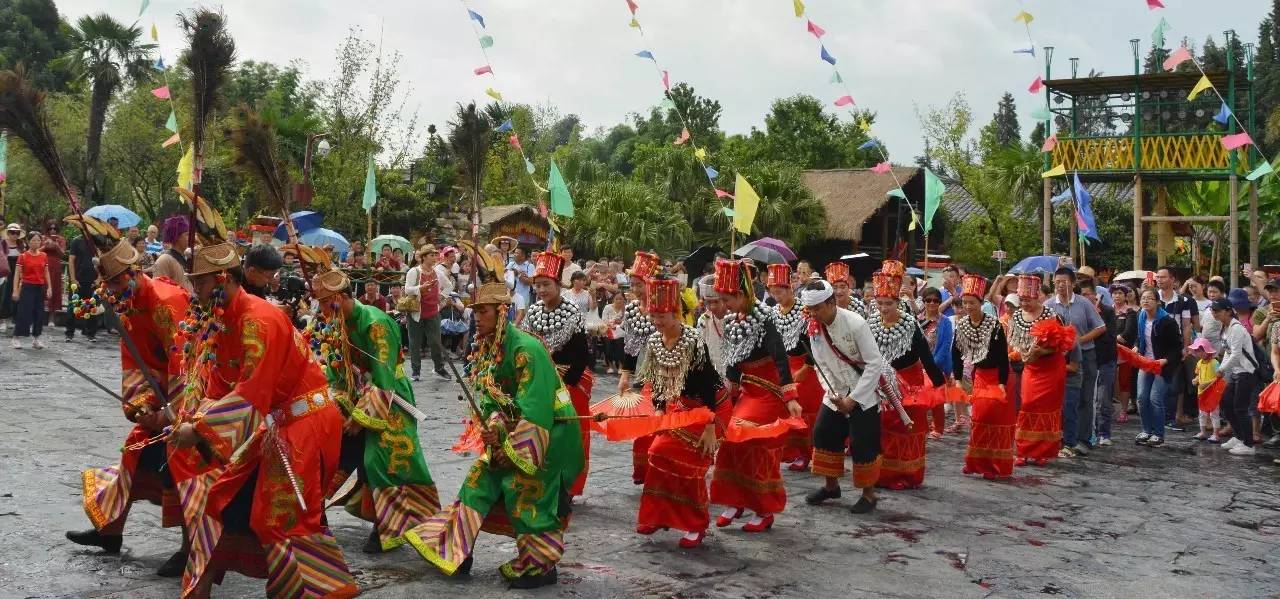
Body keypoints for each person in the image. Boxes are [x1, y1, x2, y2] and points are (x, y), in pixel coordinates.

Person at [168, 240, 357, 598]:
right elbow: (219, 384)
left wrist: (203, 430)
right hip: (272, 424)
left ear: (222, 278)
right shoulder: (221, 321)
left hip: (304, 422)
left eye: (202, 283)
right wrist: (191, 417)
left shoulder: (258, 320)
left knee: (280, 517)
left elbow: (251, 392)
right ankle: (198, 589)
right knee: (220, 499)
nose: (196, 291)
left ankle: (325, 589)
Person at [402, 278, 582, 589]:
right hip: (513, 431)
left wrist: (508, 445)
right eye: (475, 312)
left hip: (548, 435)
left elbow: (535, 410)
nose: (477, 318)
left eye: (483, 312)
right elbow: (492, 399)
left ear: (501, 313)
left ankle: (540, 566)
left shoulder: (527, 350)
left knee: (523, 488)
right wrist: (495, 428)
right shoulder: (489, 347)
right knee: (477, 481)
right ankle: (457, 551)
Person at [66, 237, 191, 576]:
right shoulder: (126, 302)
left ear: (135, 272)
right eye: (108, 283)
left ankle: (190, 548)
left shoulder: (166, 303)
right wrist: (140, 404)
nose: (113, 289)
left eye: (118, 281)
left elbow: (184, 363)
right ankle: (110, 532)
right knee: (135, 450)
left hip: (191, 393)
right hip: (160, 391)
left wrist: (170, 412)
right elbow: (134, 362)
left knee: (182, 468)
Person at [306, 266, 440, 554]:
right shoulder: (335, 323)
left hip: (389, 397)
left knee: (381, 458)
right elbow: (335, 372)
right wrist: (339, 405)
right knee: (336, 451)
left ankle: (396, 523)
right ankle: (314, 516)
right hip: (354, 396)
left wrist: (361, 417)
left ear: (340, 298)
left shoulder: (375, 323)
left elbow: (383, 376)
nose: (321, 310)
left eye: (325, 302)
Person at [633, 276, 729, 547]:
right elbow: (658, 381)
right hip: (683, 406)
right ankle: (659, 515)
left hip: (712, 407)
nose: (657, 321)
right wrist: (660, 412)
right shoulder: (654, 341)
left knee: (689, 464)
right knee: (657, 452)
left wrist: (710, 426)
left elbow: (709, 385)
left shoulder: (693, 341)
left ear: (676, 314)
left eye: (662, 315)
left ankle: (695, 524)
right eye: (653, 315)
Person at [709, 258, 801, 532]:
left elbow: (781, 359)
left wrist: (791, 396)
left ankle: (764, 508)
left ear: (740, 294)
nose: (723, 306)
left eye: (727, 300)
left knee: (756, 448)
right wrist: (728, 393)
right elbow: (732, 362)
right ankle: (734, 500)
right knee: (728, 442)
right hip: (748, 392)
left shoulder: (765, 317)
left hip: (769, 393)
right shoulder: (732, 319)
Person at [802, 280, 888, 513]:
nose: (813, 314)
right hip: (835, 393)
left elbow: (874, 363)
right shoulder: (814, 327)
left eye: (817, 308)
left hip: (863, 392)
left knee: (863, 443)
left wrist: (853, 399)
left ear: (831, 302)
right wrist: (833, 394)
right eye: (810, 310)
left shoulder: (855, 323)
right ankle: (831, 486)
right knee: (823, 432)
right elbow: (820, 365)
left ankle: (869, 495)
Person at [519, 250, 593, 498]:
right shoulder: (534, 311)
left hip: (571, 377)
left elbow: (582, 353)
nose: (541, 290)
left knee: (569, 432)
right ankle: (543, 477)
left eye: (546, 285)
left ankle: (568, 483)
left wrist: (566, 384)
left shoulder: (572, 311)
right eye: (537, 285)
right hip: (543, 378)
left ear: (558, 284)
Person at [865, 262, 945, 490]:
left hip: (910, 383)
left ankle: (907, 474)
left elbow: (925, 357)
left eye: (888, 303)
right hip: (882, 383)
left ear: (898, 302)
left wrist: (938, 383)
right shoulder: (871, 323)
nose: (883, 308)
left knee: (906, 427)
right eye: (879, 303)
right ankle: (884, 473)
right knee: (884, 427)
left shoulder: (910, 324)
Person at [953, 275, 1015, 480]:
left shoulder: (995, 326)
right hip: (979, 377)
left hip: (997, 377)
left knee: (995, 421)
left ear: (981, 303)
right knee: (979, 420)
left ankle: (995, 465)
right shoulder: (962, 326)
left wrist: (1002, 383)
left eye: (972, 302)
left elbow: (1003, 359)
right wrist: (957, 380)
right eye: (965, 303)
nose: (968, 306)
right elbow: (956, 352)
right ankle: (977, 462)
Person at [1009, 276, 1072, 465]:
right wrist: (1022, 354)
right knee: (1027, 405)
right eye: (1022, 300)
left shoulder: (1052, 315)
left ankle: (1042, 452)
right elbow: (1012, 342)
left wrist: (1042, 351)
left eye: (1028, 299)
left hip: (1051, 368)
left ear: (1037, 297)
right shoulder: (1017, 316)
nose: (1024, 303)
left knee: (1047, 409)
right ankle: (1023, 449)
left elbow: (1064, 345)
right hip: (1031, 368)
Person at [1045, 267, 1106, 457]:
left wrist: (1077, 342)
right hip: (1057, 358)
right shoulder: (1048, 305)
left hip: (1086, 356)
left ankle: (1084, 439)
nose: (1060, 285)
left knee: (1085, 398)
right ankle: (1063, 438)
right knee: (1062, 399)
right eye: (1057, 281)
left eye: (1064, 281)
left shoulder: (1083, 303)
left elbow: (1101, 327)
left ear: (1072, 283)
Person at [767, 263, 822, 471]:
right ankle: (794, 452)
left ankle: (810, 452)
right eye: (772, 292)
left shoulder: (805, 311)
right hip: (783, 367)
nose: (776, 296)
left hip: (804, 366)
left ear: (790, 288)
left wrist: (806, 368)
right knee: (786, 409)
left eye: (779, 291)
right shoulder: (772, 312)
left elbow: (816, 342)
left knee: (807, 408)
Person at [618, 251, 660, 484]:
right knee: (644, 421)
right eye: (631, 284)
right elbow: (629, 345)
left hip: (666, 370)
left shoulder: (665, 305)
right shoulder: (632, 308)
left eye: (638, 284)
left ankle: (659, 469)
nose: (634, 288)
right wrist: (625, 374)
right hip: (644, 371)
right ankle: (644, 471)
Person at [1214, 295, 1261, 456]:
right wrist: (1222, 368)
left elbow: (1235, 354)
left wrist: (1221, 369)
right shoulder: (1226, 328)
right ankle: (1239, 437)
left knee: (1240, 408)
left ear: (1228, 311)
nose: (1214, 314)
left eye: (1217, 311)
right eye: (1213, 311)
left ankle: (1248, 444)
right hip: (1235, 372)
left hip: (1247, 372)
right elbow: (1228, 352)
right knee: (1226, 404)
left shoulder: (1236, 328)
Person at [1134, 287, 1181, 447]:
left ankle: (1158, 434)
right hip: (1145, 362)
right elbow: (1140, 338)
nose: (1145, 301)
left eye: (1149, 298)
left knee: (1155, 398)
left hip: (1162, 365)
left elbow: (1177, 347)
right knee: (1141, 397)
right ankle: (1146, 430)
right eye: (1143, 298)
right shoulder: (1140, 316)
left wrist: (1165, 361)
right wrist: (1135, 347)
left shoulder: (1167, 321)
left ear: (1158, 302)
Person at [1155, 267, 1198, 429]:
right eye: (1158, 277)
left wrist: (1186, 347)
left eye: (1163, 277)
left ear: (1173, 279)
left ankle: (1169, 418)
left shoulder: (1183, 301)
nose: (1159, 280)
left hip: (1174, 347)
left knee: (1173, 384)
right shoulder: (1151, 297)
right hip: (1154, 347)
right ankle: (1156, 417)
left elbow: (1186, 326)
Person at [1081, 284, 1119, 447]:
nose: (1086, 297)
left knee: (1103, 399)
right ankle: (1087, 433)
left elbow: (1109, 337)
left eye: (1088, 294)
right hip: (1087, 359)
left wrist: (1094, 329)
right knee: (1087, 398)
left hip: (1105, 359)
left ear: (1095, 295)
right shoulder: (1080, 311)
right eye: (1082, 294)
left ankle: (1104, 432)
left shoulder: (1108, 311)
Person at [404, 245, 448, 381]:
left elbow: (449, 286)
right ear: (423, 257)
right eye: (431, 255)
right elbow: (407, 289)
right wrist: (420, 288)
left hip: (433, 312)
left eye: (435, 255)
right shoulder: (414, 272)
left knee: (435, 341)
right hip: (416, 312)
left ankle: (439, 368)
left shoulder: (438, 273)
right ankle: (416, 371)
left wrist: (442, 297)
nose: (434, 258)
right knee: (415, 343)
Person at [919, 287, 955, 438]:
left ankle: (938, 428)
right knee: (920, 399)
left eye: (936, 300)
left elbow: (946, 346)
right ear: (924, 302)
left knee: (936, 400)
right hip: (919, 365)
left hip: (937, 365)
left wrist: (932, 366)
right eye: (929, 300)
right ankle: (922, 427)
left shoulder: (945, 322)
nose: (932, 303)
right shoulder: (917, 320)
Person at [11, 231, 51, 349]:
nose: (36, 243)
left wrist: (50, 287)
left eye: (38, 240)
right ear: (28, 242)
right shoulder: (23, 256)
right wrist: (15, 290)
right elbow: (17, 275)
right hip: (27, 287)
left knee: (39, 314)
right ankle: (16, 337)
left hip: (39, 287)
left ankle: (36, 338)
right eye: (33, 240)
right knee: (25, 313)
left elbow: (46, 272)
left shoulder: (44, 256)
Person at [65, 227, 102, 342]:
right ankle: (69, 333)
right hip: (78, 280)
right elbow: (71, 261)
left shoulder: (97, 242)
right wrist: (73, 279)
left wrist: (99, 279)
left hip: (92, 281)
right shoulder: (77, 241)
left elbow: (102, 261)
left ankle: (91, 334)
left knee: (91, 308)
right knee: (72, 308)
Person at [1113, 284, 1139, 422]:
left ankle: (1123, 410)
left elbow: (1128, 333)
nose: (1117, 296)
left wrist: (1113, 337)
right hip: (1109, 352)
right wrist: (1115, 337)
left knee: (1124, 381)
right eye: (1115, 293)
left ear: (1125, 296)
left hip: (1124, 352)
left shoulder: (1130, 312)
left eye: (1120, 293)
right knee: (1106, 380)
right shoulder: (1107, 310)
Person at [696, 275, 729, 380]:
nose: (712, 307)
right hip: (713, 377)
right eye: (708, 302)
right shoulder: (704, 320)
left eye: (716, 302)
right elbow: (700, 351)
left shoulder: (736, 318)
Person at [1189, 337, 1221, 443]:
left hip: (1212, 393)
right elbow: (1198, 375)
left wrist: (1206, 384)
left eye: (1200, 350)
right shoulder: (1199, 363)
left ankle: (1216, 434)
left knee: (1214, 413)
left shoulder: (1215, 363)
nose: (1198, 353)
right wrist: (1196, 379)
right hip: (1202, 392)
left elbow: (1219, 377)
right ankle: (1202, 432)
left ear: (1206, 350)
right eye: (1197, 351)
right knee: (1202, 413)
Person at [151, 215, 191, 292]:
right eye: (187, 234)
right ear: (177, 237)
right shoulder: (164, 260)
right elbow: (158, 290)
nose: (190, 238)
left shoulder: (186, 256)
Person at [0, 223, 24, 330]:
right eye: (12, 232)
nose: (15, 235)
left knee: (16, 295)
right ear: (8, 233)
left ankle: (11, 318)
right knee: (4, 295)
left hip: (18, 272)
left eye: (17, 233)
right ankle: (3, 319)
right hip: (6, 272)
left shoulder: (21, 245)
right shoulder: (3, 243)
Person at [42, 223, 65, 325]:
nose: (53, 230)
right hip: (42, 265)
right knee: (41, 288)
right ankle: (37, 315)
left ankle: (52, 317)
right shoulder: (43, 238)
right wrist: (45, 246)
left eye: (55, 228)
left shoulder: (61, 239)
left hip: (55, 266)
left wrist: (56, 245)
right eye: (50, 228)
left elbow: (63, 254)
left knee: (54, 289)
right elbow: (37, 250)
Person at [601, 291, 627, 374]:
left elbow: (625, 322)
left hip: (620, 331)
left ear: (624, 300)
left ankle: (620, 366)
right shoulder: (607, 307)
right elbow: (604, 319)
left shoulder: (626, 309)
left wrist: (618, 325)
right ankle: (610, 366)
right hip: (608, 330)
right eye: (617, 299)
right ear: (613, 299)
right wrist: (610, 324)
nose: (619, 301)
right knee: (608, 345)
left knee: (620, 344)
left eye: (621, 299)